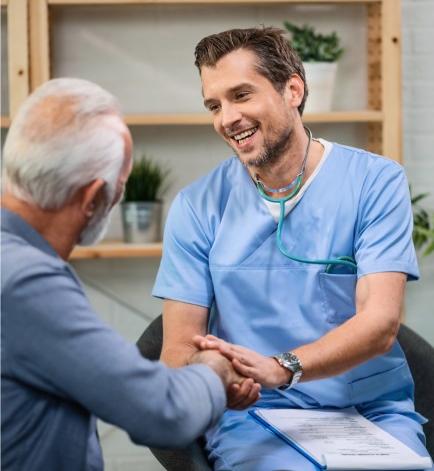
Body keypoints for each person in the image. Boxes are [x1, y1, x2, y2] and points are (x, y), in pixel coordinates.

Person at [152, 27, 434, 471]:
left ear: (293, 90)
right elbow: (176, 356)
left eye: (241, 95)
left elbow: (380, 323)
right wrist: (216, 373)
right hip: (254, 416)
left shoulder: (375, 183)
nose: (227, 118)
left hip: (367, 411)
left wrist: (282, 367)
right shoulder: (197, 206)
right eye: (214, 105)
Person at [1, 77, 260, 471]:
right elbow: (161, 412)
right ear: (92, 199)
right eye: (119, 189)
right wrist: (215, 369)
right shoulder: (26, 281)